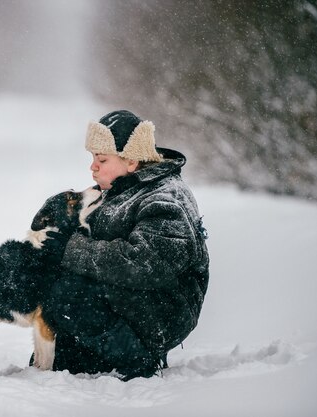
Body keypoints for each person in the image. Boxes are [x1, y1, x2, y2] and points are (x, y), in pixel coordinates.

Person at [40, 110, 209, 380]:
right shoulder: (119, 189)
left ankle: (137, 359)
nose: (93, 166)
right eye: (92, 158)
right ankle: (71, 360)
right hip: (127, 301)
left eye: (102, 159)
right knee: (54, 284)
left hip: (160, 313)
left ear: (131, 160)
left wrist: (70, 248)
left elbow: (145, 263)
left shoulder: (166, 197)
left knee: (70, 292)